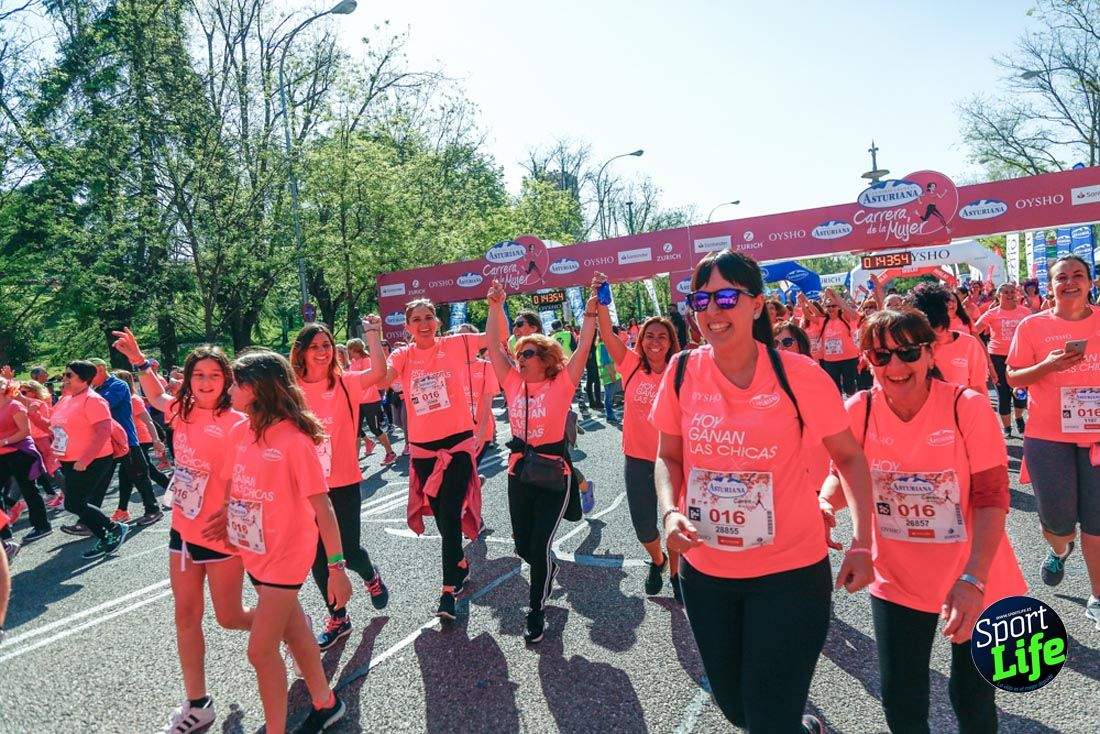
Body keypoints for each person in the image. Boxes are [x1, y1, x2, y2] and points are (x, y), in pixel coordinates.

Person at [652, 250, 874, 733]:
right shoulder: (683, 372)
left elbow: (851, 458)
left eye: (728, 296)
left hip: (790, 574)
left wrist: (863, 541)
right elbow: (668, 457)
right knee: (737, 709)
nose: (713, 310)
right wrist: (669, 512)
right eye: (702, 298)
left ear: (756, 305)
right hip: (708, 574)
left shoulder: (799, 376)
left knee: (767, 718)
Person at [820, 306, 1026, 732]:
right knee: (901, 695)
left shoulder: (965, 407)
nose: (895, 365)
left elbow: (991, 497)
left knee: (972, 695)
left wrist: (974, 579)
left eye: (908, 352)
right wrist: (823, 505)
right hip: (898, 573)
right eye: (881, 356)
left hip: (973, 570)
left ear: (930, 354)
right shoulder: (859, 409)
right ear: (865, 361)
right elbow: (840, 478)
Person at [110, 329, 252, 734]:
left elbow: (245, 476)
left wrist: (227, 511)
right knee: (186, 617)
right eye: (198, 375)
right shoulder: (181, 413)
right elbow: (156, 396)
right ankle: (198, 703)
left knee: (229, 617)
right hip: (183, 532)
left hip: (221, 533)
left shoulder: (237, 421)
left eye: (213, 375)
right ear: (188, 380)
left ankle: (290, 625)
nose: (205, 382)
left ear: (226, 380)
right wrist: (138, 357)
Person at [202, 349, 350, 734]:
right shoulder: (240, 429)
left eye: (236, 382)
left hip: (286, 555)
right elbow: (240, 482)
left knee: (260, 650)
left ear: (258, 389)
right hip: (254, 551)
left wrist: (336, 569)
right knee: (297, 634)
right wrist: (229, 515)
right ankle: (326, 703)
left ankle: (275, 729)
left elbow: (325, 509)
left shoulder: (294, 440)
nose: (230, 389)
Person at [485, 279, 596, 643]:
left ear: (546, 358)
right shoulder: (514, 383)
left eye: (528, 352)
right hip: (519, 474)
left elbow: (583, 349)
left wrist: (593, 309)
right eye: (519, 353)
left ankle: (536, 610)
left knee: (538, 546)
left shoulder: (561, 382)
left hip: (552, 475)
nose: (520, 357)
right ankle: (546, 567)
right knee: (521, 547)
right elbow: (492, 345)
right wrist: (494, 307)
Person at [1007, 254, 1100, 628]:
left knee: (1096, 523)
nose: (1071, 282)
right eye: (1062, 277)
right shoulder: (1031, 326)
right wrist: (1047, 366)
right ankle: (1060, 549)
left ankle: (1097, 597)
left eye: (1079, 275)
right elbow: (1013, 379)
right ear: (1051, 286)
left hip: (1096, 437)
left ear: (1090, 283)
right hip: (1048, 437)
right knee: (1058, 523)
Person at [289, 321, 391, 650]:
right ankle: (338, 617)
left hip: (342, 480)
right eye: (315, 346)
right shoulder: (289, 390)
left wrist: (373, 334)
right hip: (305, 485)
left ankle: (370, 575)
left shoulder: (345, 382)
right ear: (301, 352)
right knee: (318, 556)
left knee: (347, 550)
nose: (322, 351)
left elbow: (378, 372)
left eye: (327, 345)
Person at [384, 299, 487, 621]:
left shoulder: (456, 345)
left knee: (450, 509)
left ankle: (447, 591)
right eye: (416, 319)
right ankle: (460, 563)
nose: (424, 323)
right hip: (424, 450)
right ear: (408, 326)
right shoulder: (402, 355)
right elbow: (380, 378)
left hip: (457, 444)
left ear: (438, 322)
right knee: (444, 519)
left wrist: (496, 307)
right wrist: (374, 337)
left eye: (429, 317)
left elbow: (497, 335)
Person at [593, 273, 684, 599]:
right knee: (644, 527)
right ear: (641, 340)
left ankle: (675, 575)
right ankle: (656, 560)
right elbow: (606, 333)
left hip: (674, 459)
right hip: (638, 459)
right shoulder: (630, 365)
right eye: (649, 336)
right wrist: (602, 298)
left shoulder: (680, 371)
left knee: (673, 519)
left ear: (671, 341)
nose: (655, 341)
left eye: (662, 336)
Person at [51, 361, 130, 559]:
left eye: (69, 375)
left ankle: (113, 530)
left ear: (84, 379)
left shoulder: (93, 400)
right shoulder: (65, 399)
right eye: (64, 374)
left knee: (75, 503)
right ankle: (108, 534)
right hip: (69, 460)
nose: (64, 378)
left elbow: (103, 432)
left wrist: (85, 459)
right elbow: (54, 427)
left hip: (92, 460)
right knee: (75, 503)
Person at [88, 358, 162, 525]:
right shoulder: (96, 388)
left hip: (127, 440)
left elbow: (103, 405)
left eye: (90, 374)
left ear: (100, 369)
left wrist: (156, 439)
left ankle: (153, 509)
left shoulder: (118, 385)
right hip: (108, 442)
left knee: (141, 476)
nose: (88, 378)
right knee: (101, 480)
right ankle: (89, 521)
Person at [908, 283, 990, 393]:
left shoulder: (969, 344)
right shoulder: (908, 349)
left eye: (938, 328)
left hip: (961, 409)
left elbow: (979, 389)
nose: (935, 335)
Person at [111, 370, 170, 522]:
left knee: (132, 473)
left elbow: (149, 421)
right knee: (142, 471)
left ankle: (124, 509)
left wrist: (156, 440)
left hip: (140, 439)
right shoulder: (120, 400)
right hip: (128, 441)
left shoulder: (133, 399)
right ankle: (123, 509)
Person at [0, 376, 52, 543]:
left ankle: (42, 526)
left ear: (6, 387)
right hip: (2, 455)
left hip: (19, 452)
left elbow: (25, 431)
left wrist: (5, 441)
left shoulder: (14, 405)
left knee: (29, 489)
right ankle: (4, 533)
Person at [975, 284, 1032, 436]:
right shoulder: (992, 313)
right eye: (1006, 292)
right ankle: (1007, 428)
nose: (1010, 294)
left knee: (1020, 392)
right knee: (1003, 393)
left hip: (1019, 356)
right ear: (998, 295)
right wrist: (980, 350)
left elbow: (1035, 331)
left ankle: (1019, 417)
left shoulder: (1025, 312)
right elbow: (974, 331)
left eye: (1012, 292)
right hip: (997, 357)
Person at [347, 338, 397, 464]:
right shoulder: (353, 362)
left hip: (371, 400)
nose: (348, 352)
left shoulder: (367, 360)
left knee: (375, 428)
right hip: (357, 402)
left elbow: (370, 378)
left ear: (355, 349)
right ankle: (355, 463)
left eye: (350, 349)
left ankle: (390, 453)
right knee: (356, 431)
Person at [17, 380, 63, 507]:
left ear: (33, 392)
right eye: (20, 391)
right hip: (34, 439)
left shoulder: (37, 402)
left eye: (24, 392)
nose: (21, 394)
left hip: (43, 438)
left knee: (52, 467)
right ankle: (63, 494)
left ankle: (68, 494)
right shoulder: (27, 403)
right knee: (44, 469)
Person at [809, 288, 860, 395]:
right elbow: (809, 315)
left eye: (833, 306)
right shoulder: (823, 320)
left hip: (848, 358)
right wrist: (804, 301)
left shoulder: (845, 317)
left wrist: (834, 295)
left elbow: (849, 311)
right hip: (830, 361)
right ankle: (839, 409)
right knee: (835, 389)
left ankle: (852, 407)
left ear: (838, 307)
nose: (831, 308)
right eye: (828, 306)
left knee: (849, 387)